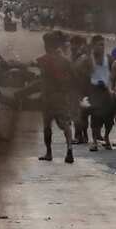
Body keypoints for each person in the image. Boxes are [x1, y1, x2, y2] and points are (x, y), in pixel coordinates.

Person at [36, 32, 76, 163]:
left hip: (48, 98)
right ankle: (69, 149)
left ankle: (49, 153)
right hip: (61, 97)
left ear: (47, 45)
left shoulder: (43, 60)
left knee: (47, 126)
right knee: (65, 124)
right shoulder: (65, 60)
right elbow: (73, 77)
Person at [80, 35, 113, 151]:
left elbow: (113, 74)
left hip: (106, 91)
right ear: (94, 46)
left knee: (109, 118)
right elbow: (82, 75)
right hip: (94, 90)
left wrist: (112, 87)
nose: (102, 47)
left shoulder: (108, 59)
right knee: (95, 117)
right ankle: (94, 141)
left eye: (103, 45)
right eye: (99, 45)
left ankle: (107, 137)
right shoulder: (88, 60)